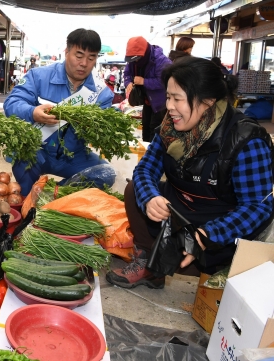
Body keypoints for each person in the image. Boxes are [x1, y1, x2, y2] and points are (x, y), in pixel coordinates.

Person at [107, 57, 274, 289]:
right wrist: (150, 198)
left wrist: (209, 234)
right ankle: (147, 262)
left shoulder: (245, 140)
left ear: (207, 102)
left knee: (187, 266)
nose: (170, 107)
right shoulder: (169, 128)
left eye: (177, 99)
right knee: (134, 189)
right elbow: (146, 168)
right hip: (180, 209)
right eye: (168, 97)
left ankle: (207, 264)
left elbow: (258, 206)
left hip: (217, 225)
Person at [4, 28, 116, 196]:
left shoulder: (102, 94)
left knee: (105, 174)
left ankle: (53, 194)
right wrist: (32, 112)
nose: (84, 63)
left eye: (91, 58)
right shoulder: (38, 76)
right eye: (79, 56)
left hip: (74, 155)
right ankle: (29, 198)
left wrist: (96, 129)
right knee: (23, 159)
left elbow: (102, 132)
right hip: (38, 149)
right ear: (66, 52)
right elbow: (12, 103)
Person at [123, 36, 172, 142]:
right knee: (145, 128)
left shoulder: (161, 61)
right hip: (147, 102)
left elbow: (165, 82)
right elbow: (126, 73)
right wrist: (128, 83)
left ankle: (153, 155)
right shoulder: (133, 61)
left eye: (136, 59)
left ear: (143, 53)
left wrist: (144, 81)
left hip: (160, 104)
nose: (134, 62)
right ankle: (146, 154)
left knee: (155, 131)